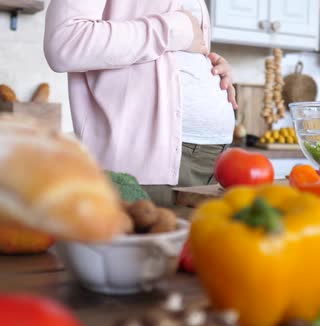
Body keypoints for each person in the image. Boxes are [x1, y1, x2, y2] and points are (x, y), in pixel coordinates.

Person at [44, 0, 237, 205]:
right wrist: (175, 29)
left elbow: (176, 50)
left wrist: (209, 66)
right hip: (148, 165)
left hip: (217, 161)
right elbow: (65, 41)